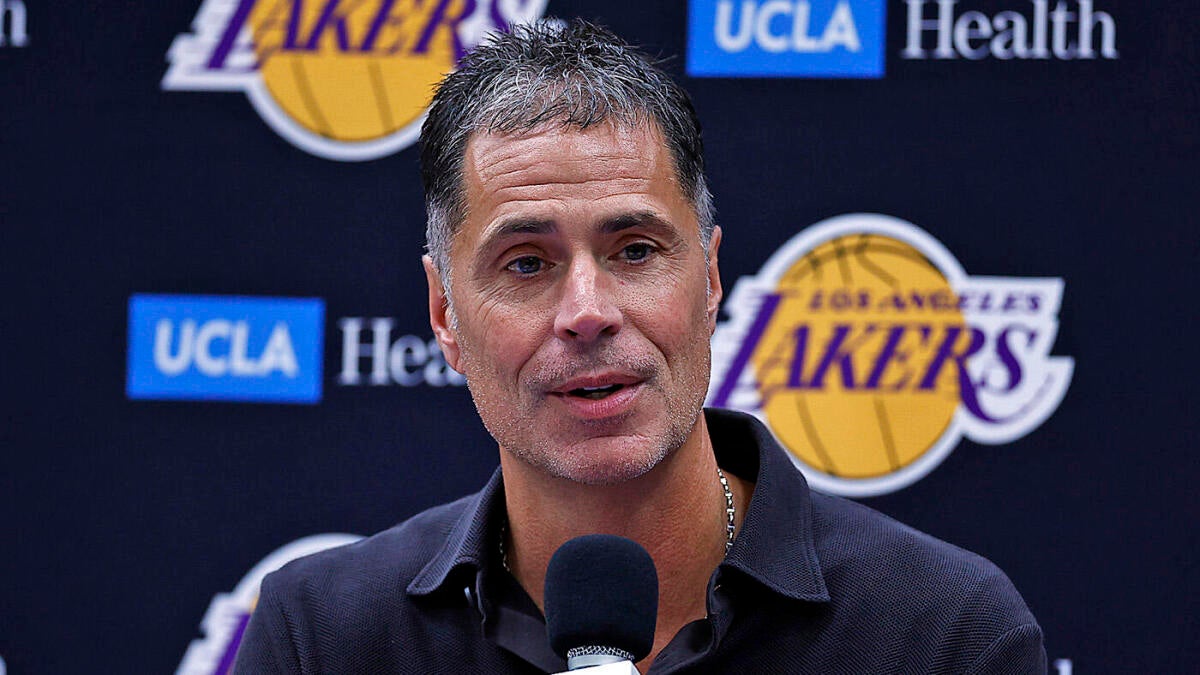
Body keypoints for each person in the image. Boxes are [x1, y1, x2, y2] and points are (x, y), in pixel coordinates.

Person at [233, 20, 1046, 674]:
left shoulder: (945, 632)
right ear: (444, 312)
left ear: (711, 280)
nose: (588, 313)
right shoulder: (321, 637)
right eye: (527, 263)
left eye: (635, 250)